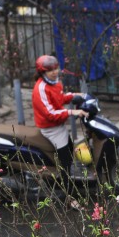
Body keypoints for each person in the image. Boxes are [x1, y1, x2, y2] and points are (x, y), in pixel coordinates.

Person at [31, 54, 87, 210]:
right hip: (51, 128)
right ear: (42, 72)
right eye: (50, 70)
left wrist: (75, 96)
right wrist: (72, 113)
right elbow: (49, 113)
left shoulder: (55, 82)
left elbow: (59, 98)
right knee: (65, 163)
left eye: (56, 68)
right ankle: (70, 198)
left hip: (59, 125)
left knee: (69, 152)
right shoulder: (40, 88)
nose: (54, 72)